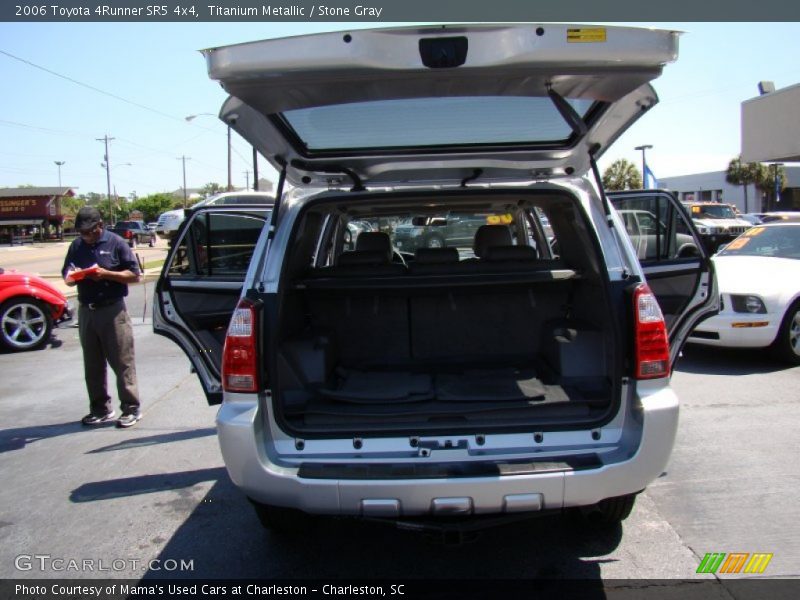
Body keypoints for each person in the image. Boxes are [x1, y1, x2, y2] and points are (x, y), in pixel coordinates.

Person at [62, 207, 143, 428]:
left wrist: (106, 274)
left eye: (89, 232)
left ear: (100, 226)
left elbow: (134, 275)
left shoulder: (116, 243)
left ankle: (131, 408)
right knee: (93, 363)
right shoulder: (77, 245)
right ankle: (100, 408)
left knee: (122, 360)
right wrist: (70, 277)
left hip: (113, 310)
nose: (85, 236)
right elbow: (66, 271)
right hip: (87, 310)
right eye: (82, 232)